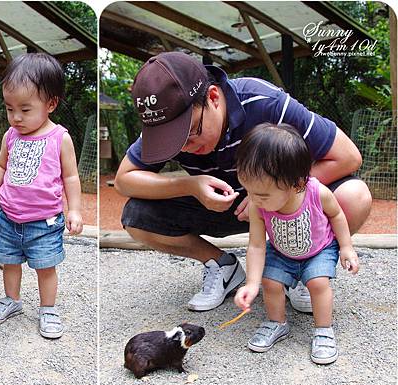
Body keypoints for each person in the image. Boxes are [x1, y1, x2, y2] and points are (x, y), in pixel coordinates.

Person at [114, 52, 371, 312]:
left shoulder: (264, 102)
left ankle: (305, 265)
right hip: (222, 206)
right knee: (137, 216)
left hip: (285, 206)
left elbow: (348, 157)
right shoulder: (166, 123)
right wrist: (189, 185)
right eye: (172, 141)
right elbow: (124, 180)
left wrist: (272, 192)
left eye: (191, 133)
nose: (185, 148)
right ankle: (223, 267)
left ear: (213, 97)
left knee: (354, 196)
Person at [0, 53, 83, 339]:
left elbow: (71, 177)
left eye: (25, 109)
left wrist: (74, 210)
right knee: (10, 261)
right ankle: (12, 300)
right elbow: (0, 166)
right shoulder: (11, 136)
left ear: (51, 104)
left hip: (44, 222)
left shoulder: (60, 138)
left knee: (45, 267)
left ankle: (48, 308)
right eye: (10, 109)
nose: (16, 117)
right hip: (8, 217)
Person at [233, 123, 359, 364]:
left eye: (262, 194)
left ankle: (323, 330)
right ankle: (276, 322)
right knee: (269, 282)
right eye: (249, 191)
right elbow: (257, 246)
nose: (254, 200)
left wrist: (346, 246)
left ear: (297, 184)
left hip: (319, 250)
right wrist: (251, 283)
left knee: (318, 282)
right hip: (281, 253)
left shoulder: (316, 192)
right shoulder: (257, 205)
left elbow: (337, 215)